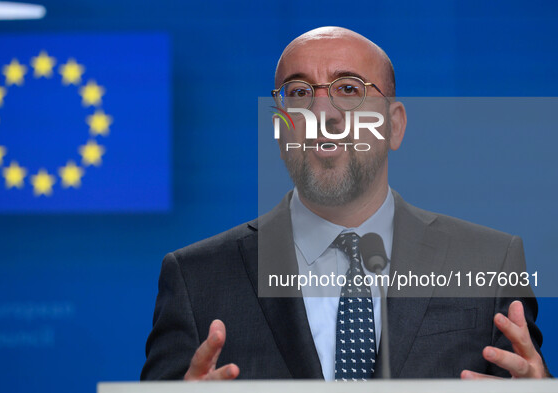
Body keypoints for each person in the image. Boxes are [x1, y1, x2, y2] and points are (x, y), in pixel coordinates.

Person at [141, 26, 549, 381]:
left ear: (394, 125)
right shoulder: (195, 279)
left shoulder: (489, 262)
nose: (323, 112)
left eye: (349, 89)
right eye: (299, 92)